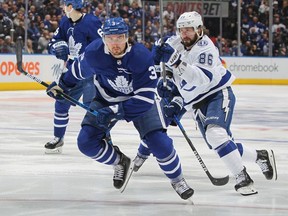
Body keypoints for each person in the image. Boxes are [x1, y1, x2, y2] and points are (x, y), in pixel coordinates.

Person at [46, 17, 194, 200]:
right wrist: (62, 86)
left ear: (127, 37)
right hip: (106, 98)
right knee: (86, 142)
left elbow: (145, 99)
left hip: (139, 101)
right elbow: (75, 71)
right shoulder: (94, 53)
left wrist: (115, 111)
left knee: (159, 143)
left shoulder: (141, 56)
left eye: (119, 38)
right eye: (110, 38)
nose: (115, 43)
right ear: (103, 38)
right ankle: (120, 161)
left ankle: (177, 180)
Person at [150, 11, 277, 196]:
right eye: (181, 30)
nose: (184, 34)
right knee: (220, 142)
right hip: (195, 102)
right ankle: (260, 156)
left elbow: (201, 79)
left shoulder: (205, 47)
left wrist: (175, 62)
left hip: (216, 93)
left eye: (189, 30)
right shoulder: (174, 43)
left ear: (199, 30)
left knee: (215, 135)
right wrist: (164, 78)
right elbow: (162, 66)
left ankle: (242, 178)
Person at [45, 0, 102, 154]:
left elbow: (101, 47)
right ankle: (58, 138)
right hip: (72, 71)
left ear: (71, 7)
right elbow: (53, 42)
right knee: (61, 102)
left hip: (90, 73)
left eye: (65, 5)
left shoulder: (92, 22)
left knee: (93, 107)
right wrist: (56, 48)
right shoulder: (65, 22)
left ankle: (103, 139)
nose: (63, 8)